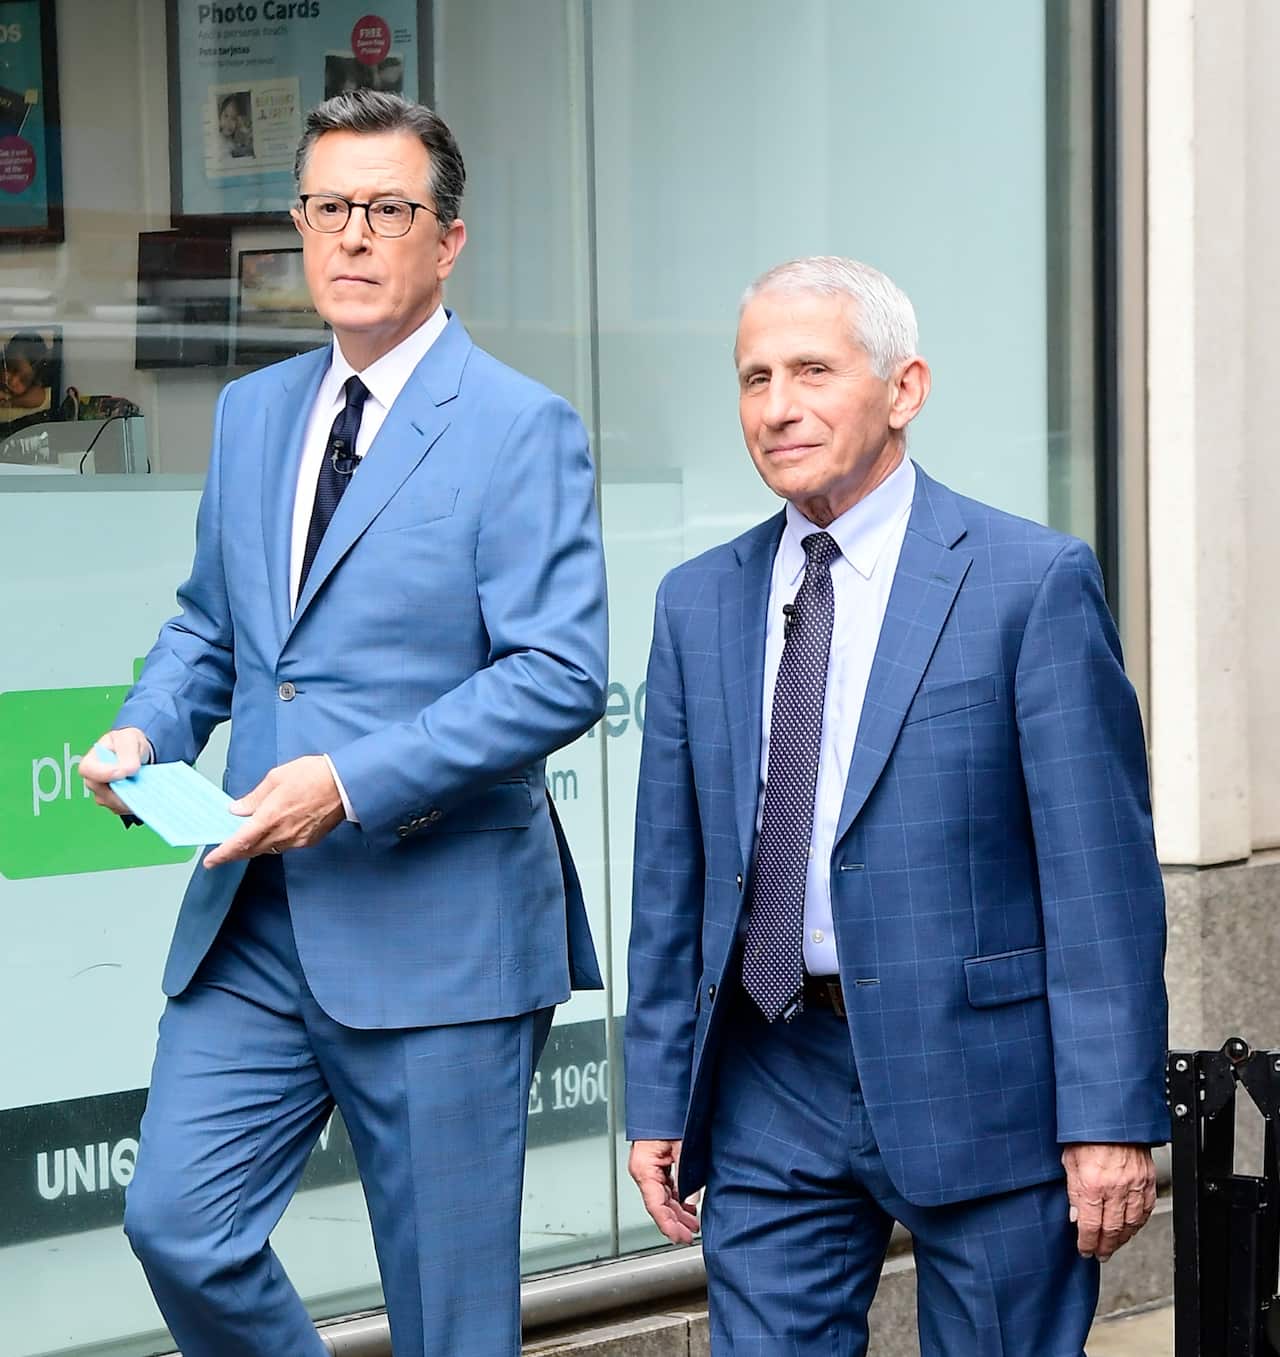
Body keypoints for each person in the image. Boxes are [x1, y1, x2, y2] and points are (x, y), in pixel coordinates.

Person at [78, 90, 607, 1357]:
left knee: (446, 1319)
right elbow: (213, 626)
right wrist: (147, 734)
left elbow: (557, 671)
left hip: (441, 931)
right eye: (327, 208)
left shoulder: (518, 425)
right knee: (179, 1226)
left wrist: (349, 781)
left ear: (448, 240)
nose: (353, 236)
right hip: (253, 919)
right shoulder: (259, 413)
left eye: (387, 209)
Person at [624, 256, 1168, 1356]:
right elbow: (669, 875)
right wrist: (654, 1093)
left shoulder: (1028, 581)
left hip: (984, 1081)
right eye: (754, 378)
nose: (776, 408)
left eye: (812, 371)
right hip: (772, 1071)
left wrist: (1107, 1117)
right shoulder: (696, 602)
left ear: (903, 389)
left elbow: (1097, 872)